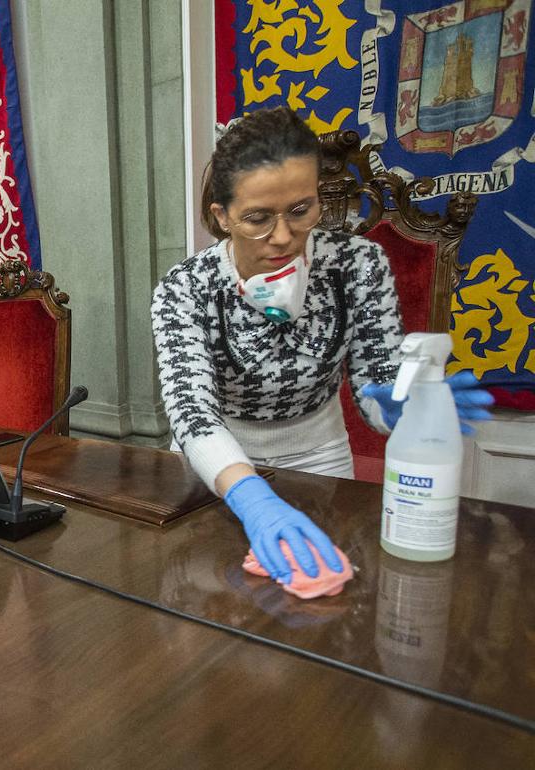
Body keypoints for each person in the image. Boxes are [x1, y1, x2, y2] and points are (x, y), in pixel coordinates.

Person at [151, 106, 492, 587]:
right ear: (221, 216)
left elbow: (376, 384)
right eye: (257, 218)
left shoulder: (358, 264)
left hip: (319, 458)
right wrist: (251, 497)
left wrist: (401, 405)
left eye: (300, 210)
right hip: (212, 464)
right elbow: (191, 412)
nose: (284, 237)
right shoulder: (184, 288)